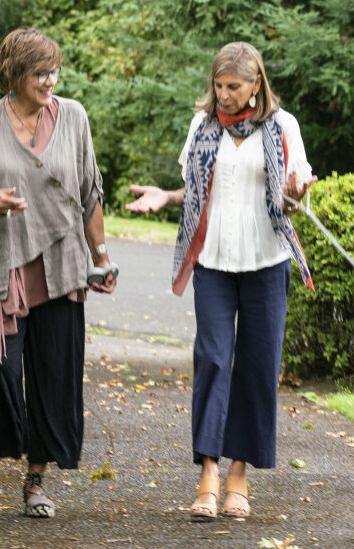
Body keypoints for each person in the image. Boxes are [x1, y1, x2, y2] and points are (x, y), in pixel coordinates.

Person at [127, 41, 316, 521]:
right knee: (212, 357)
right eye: (219, 85)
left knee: (257, 367)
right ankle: (207, 471)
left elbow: (293, 204)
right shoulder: (203, 126)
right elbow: (195, 190)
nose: (225, 94)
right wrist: (165, 198)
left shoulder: (282, 126)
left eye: (234, 87)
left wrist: (295, 197)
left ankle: (238, 474)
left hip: (266, 263)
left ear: (257, 85)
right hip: (212, 262)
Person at [0, 28, 117, 520]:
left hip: (60, 268)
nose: (50, 80)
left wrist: (100, 258)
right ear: (14, 75)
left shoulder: (74, 117)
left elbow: (89, 195)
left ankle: (36, 479)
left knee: (51, 374)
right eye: (40, 72)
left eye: (53, 71)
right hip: (2, 269)